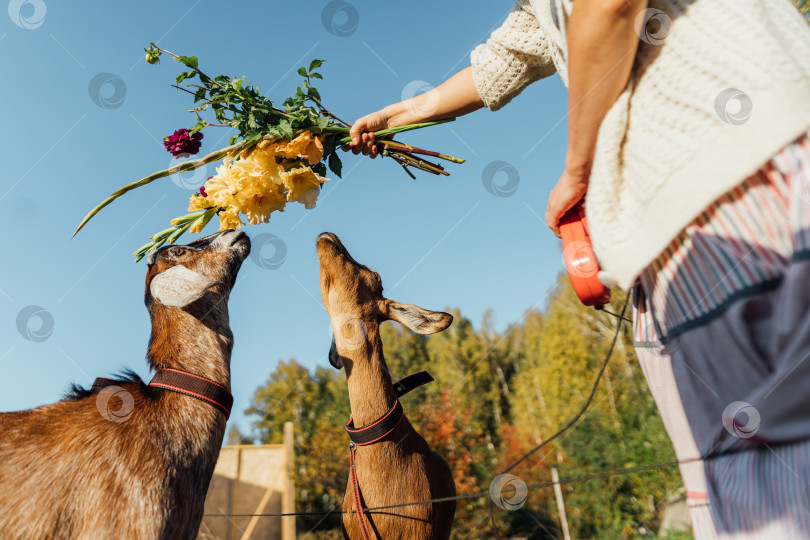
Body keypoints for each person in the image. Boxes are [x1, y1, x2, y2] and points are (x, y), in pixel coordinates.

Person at [346, 1, 810, 538]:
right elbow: (501, 63)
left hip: (731, 187)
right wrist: (395, 115)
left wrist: (578, 167)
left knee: (770, 484)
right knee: (729, 482)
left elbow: (609, 6)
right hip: (686, 223)